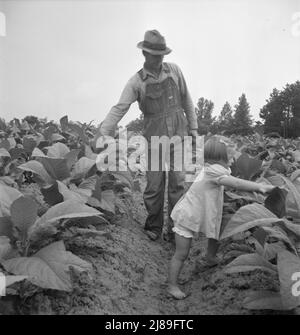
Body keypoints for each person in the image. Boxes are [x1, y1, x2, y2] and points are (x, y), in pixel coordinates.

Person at [97, 30, 198, 241]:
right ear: (145, 54)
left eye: (162, 54)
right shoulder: (136, 82)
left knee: (178, 183)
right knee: (154, 185)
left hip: (179, 136)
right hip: (154, 140)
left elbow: (187, 99)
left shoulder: (175, 71)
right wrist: (104, 132)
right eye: (155, 55)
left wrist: (194, 127)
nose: (160, 59)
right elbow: (120, 107)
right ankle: (154, 225)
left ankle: (174, 229)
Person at [167, 136, 275, 299]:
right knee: (181, 254)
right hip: (187, 217)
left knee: (216, 231)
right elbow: (236, 183)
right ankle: (172, 286)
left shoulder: (213, 168)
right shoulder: (213, 172)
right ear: (219, 159)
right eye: (230, 158)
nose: (233, 161)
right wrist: (261, 187)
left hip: (201, 213)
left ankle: (210, 257)